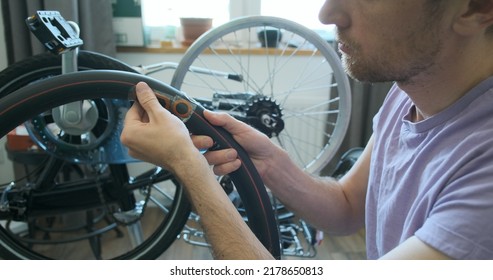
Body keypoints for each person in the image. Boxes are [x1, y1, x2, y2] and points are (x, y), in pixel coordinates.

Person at [120, 0, 493, 259]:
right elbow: (347, 208)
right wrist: (270, 163)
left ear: (477, 8)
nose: (327, 13)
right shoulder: (409, 92)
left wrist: (189, 168)